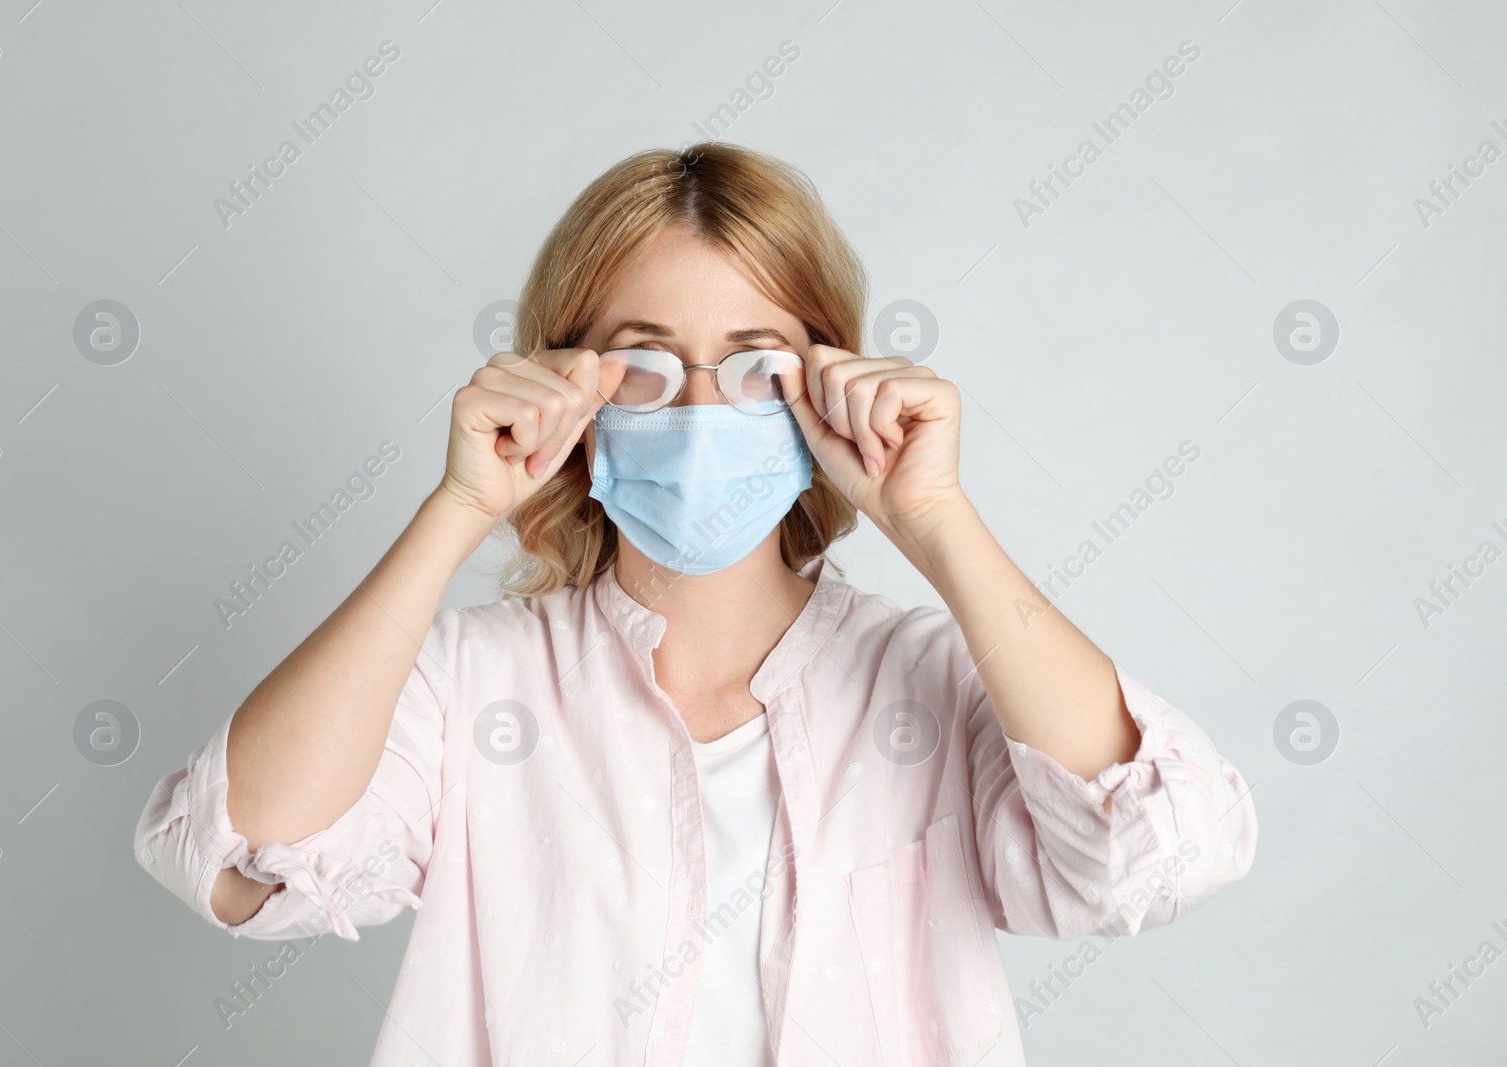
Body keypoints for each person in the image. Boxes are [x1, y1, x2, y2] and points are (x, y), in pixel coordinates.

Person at [133, 142, 1258, 1066]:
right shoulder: (472, 684)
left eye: (756, 362)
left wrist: (939, 521)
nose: (706, 404)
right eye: (647, 361)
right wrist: (460, 506)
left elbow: (1159, 852)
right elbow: (244, 859)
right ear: (568, 383)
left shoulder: (936, 686)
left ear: (825, 380)